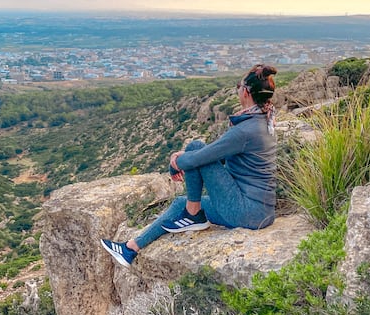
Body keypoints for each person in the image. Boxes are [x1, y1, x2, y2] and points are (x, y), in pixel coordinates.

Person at [101, 64, 279, 268]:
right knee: (180, 203)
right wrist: (185, 159)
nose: (237, 89)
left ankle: (193, 214)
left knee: (195, 147)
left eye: (238, 86)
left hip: (245, 211)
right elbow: (215, 157)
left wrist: (176, 162)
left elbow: (200, 158)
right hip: (259, 212)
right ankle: (130, 248)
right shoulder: (263, 121)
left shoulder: (246, 130)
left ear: (246, 92)